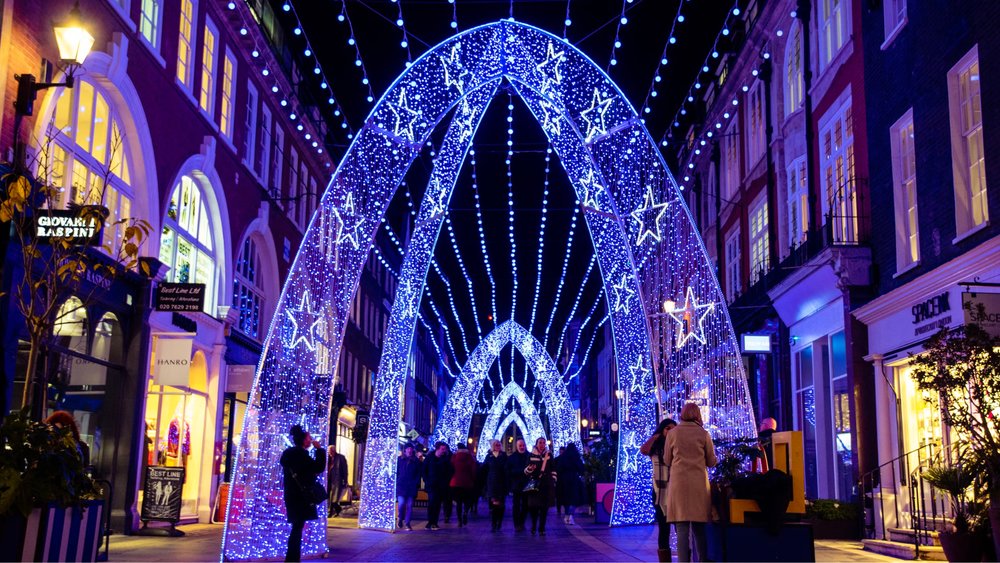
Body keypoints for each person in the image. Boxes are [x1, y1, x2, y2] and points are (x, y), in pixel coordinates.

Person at [664, 403, 717, 563]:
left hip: (679, 485)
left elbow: (667, 460)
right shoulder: (703, 434)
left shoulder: (672, 434)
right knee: (699, 528)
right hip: (698, 485)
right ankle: (702, 559)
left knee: (681, 528)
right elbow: (711, 462)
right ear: (697, 414)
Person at [280, 425, 325, 562]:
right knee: (297, 528)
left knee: (297, 527)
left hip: (291, 495)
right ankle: (292, 559)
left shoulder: (288, 454)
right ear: (304, 440)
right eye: (309, 438)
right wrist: (319, 450)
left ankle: (292, 558)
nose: (311, 440)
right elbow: (318, 467)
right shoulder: (301, 455)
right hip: (301, 496)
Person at [640, 417, 678, 562]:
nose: (670, 431)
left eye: (673, 428)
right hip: (659, 490)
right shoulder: (656, 445)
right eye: (667, 428)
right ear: (662, 429)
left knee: (680, 526)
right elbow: (643, 450)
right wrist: (655, 437)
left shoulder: (677, 444)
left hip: (676, 488)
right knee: (664, 527)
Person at [524, 437, 557, 536]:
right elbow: (525, 471)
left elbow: (553, 469)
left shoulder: (549, 455)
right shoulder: (531, 455)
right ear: (536, 444)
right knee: (534, 507)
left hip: (546, 485)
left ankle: (542, 528)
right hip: (535, 485)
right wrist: (530, 469)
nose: (542, 444)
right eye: (540, 443)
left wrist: (553, 480)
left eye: (543, 443)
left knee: (544, 508)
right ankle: (534, 525)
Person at [423, 441, 452, 530]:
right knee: (432, 503)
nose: (444, 451)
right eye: (442, 449)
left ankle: (434, 522)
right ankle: (430, 522)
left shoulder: (446, 459)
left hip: (441, 486)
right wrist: (426, 481)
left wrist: (446, 481)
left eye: (445, 449)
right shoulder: (430, 458)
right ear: (438, 449)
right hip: (431, 485)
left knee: (437, 504)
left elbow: (450, 471)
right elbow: (424, 470)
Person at [556, 443, 584, 525]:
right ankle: (570, 515)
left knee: (566, 499)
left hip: (564, 480)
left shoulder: (563, 457)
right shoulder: (576, 457)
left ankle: (566, 515)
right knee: (574, 499)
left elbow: (559, 468)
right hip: (574, 479)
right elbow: (581, 468)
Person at [482, 439, 508, 531]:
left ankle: (499, 523)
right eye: (495, 444)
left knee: (501, 505)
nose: (497, 446)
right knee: (493, 506)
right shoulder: (489, 456)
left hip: (501, 484)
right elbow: (484, 468)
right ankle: (493, 524)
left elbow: (507, 468)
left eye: (499, 444)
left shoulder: (504, 456)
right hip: (492, 483)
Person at [449, 443, 477, 527]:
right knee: (467, 500)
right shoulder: (470, 457)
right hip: (467, 482)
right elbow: (474, 469)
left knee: (459, 502)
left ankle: (459, 520)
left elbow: (451, 468)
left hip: (456, 482)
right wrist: (473, 479)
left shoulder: (454, 456)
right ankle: (465, 512)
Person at [396, 443, 421, 531]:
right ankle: (400, 518)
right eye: (408, 448)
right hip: (401, 485)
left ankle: (407, 523)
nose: (410, 450)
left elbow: (418, 473)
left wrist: (416, 483)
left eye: (411, 449)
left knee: (410, 505)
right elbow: (396, 471)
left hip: (411, 486)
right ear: (405, 450)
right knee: (401, 504)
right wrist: (397, 481)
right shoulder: (400, 459)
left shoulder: (416, 461)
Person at [506, 438, 530, 531]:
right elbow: (508, 471)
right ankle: (517, 524)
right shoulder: (512, 457)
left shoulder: (529, 456)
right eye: (520, 445)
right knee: (516, 505)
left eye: (523, 445)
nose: (522, 447)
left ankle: (522, 522)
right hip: (516, 485)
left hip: (527, 485)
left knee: (525, 505)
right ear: (516, 446)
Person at [326, 444, 348, 516]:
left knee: (334, 497)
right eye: (329, 451)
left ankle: (330, 512)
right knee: (328, 496)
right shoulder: (327, 458)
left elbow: (345, 470)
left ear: (334, 450)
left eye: (331, 451)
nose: (330, 453)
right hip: (328, 479)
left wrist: (345, 480)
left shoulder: (341, 458)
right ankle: (337, 509)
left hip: (337, 480)